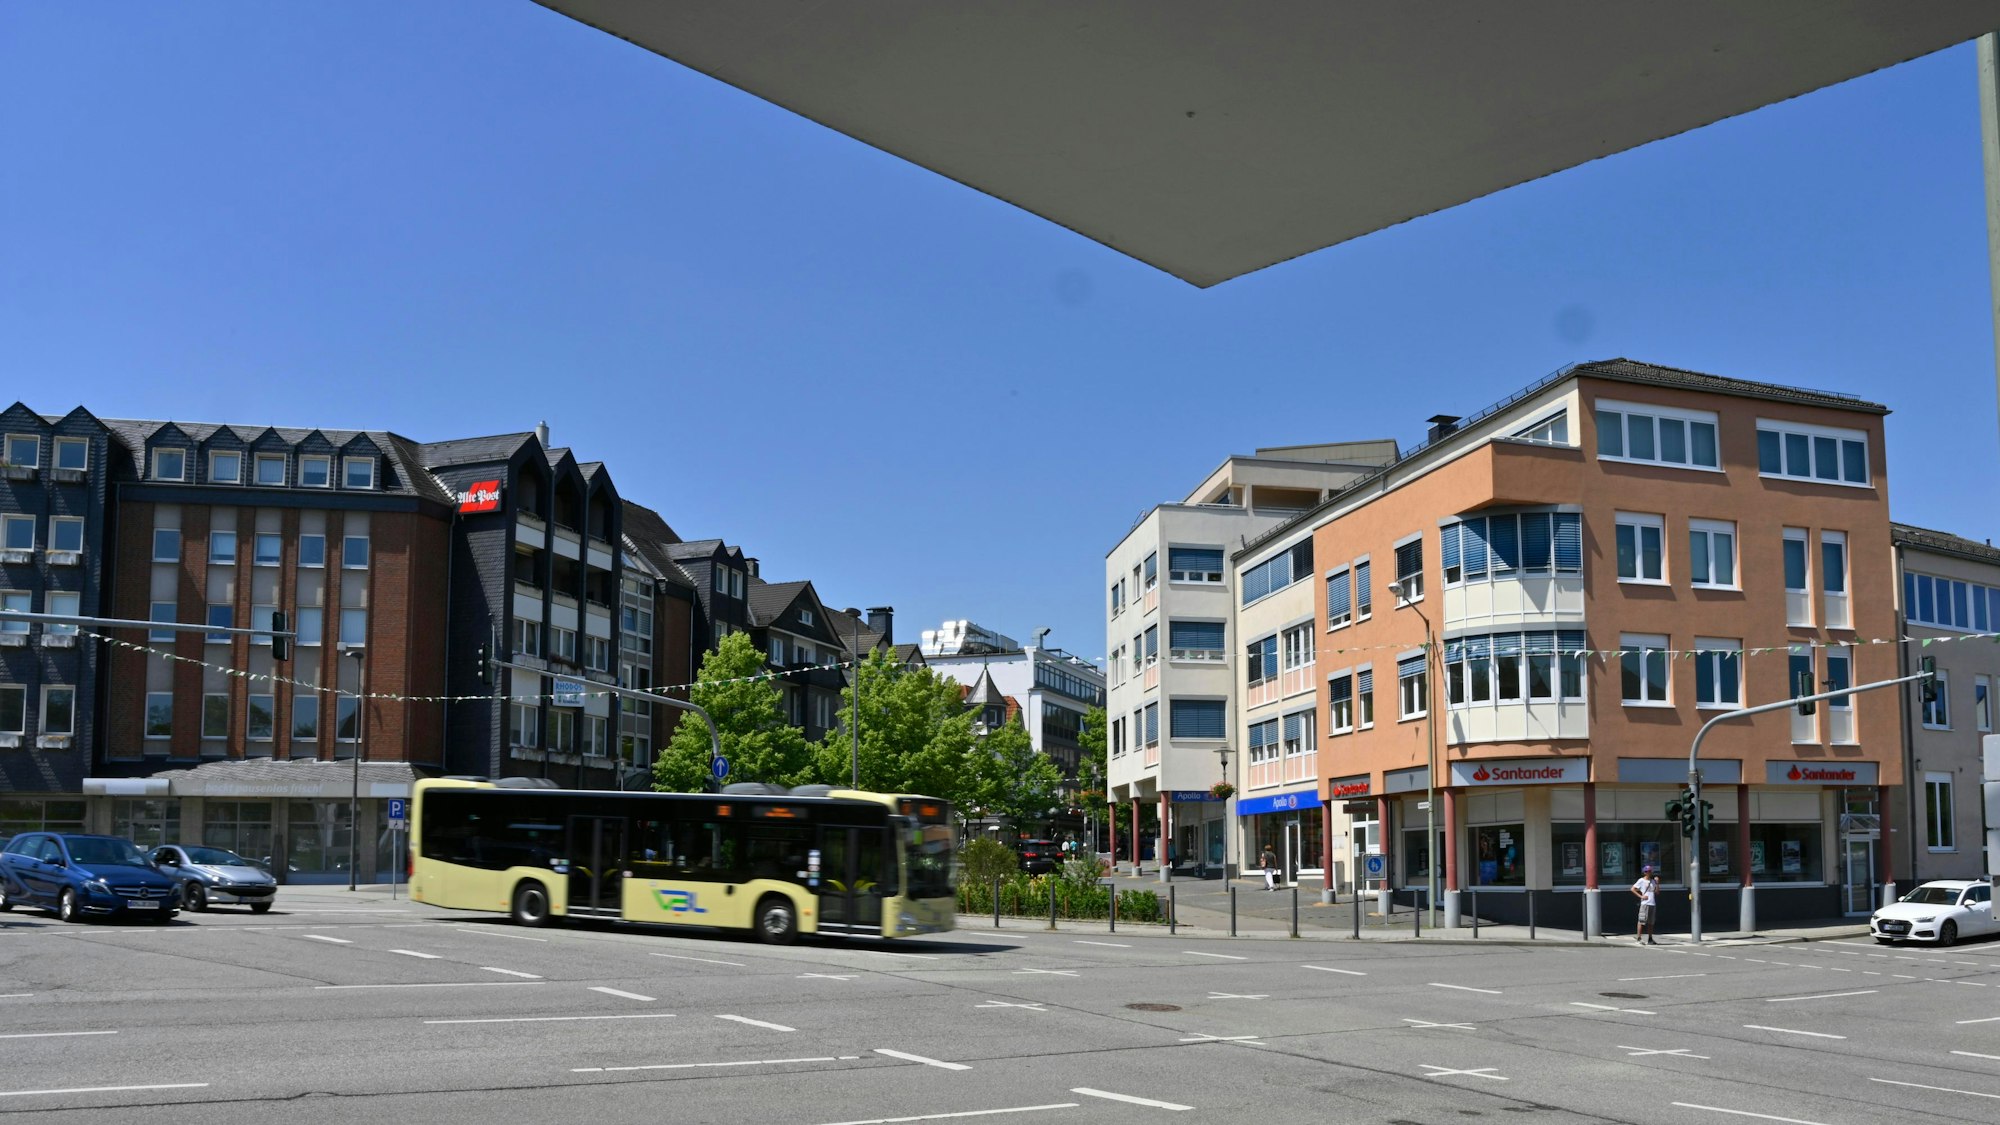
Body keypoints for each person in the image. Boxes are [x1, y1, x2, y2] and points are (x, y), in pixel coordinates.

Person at [1631, 864, 1660, 944]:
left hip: (1652, 903)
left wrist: (1657, 883)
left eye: (1650, 871)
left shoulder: (1653, 881)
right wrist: (1641, 896)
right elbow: (1633, 889)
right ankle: (1639, 938)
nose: (1649, 873)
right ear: (1644, 872)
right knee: (1641, 921)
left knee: (1651, 922)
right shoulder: (1641, 880)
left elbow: (1657, 892)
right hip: (1645, 904)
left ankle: (1650, 938)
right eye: (1647, 871)